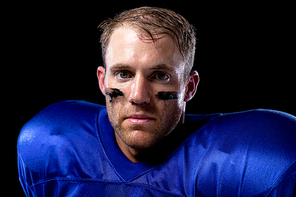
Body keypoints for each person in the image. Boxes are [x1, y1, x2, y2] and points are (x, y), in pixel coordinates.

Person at [17, 6, 296, 196]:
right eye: (123, 74)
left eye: (160, 76)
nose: (138, 96)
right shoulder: (49, 145)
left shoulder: (256, 162)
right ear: (103, 81)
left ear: (189, 87)